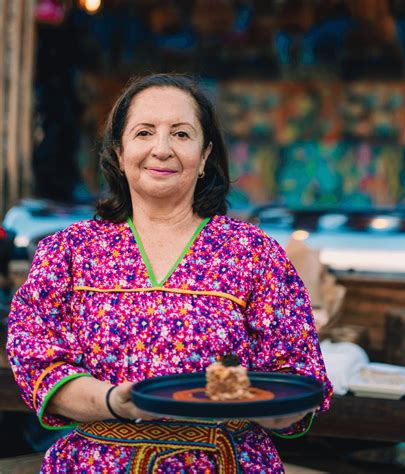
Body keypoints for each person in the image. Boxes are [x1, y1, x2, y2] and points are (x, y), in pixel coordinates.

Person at [7, 73, 332, 473]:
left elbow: (296, 371)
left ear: (205, 155)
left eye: (181, 134)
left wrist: (276, 409)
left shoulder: (254, 253)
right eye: (144, 133)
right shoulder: (68, 251)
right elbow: (36, 360)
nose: (162, 149)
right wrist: (114, 400)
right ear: (119, 152)